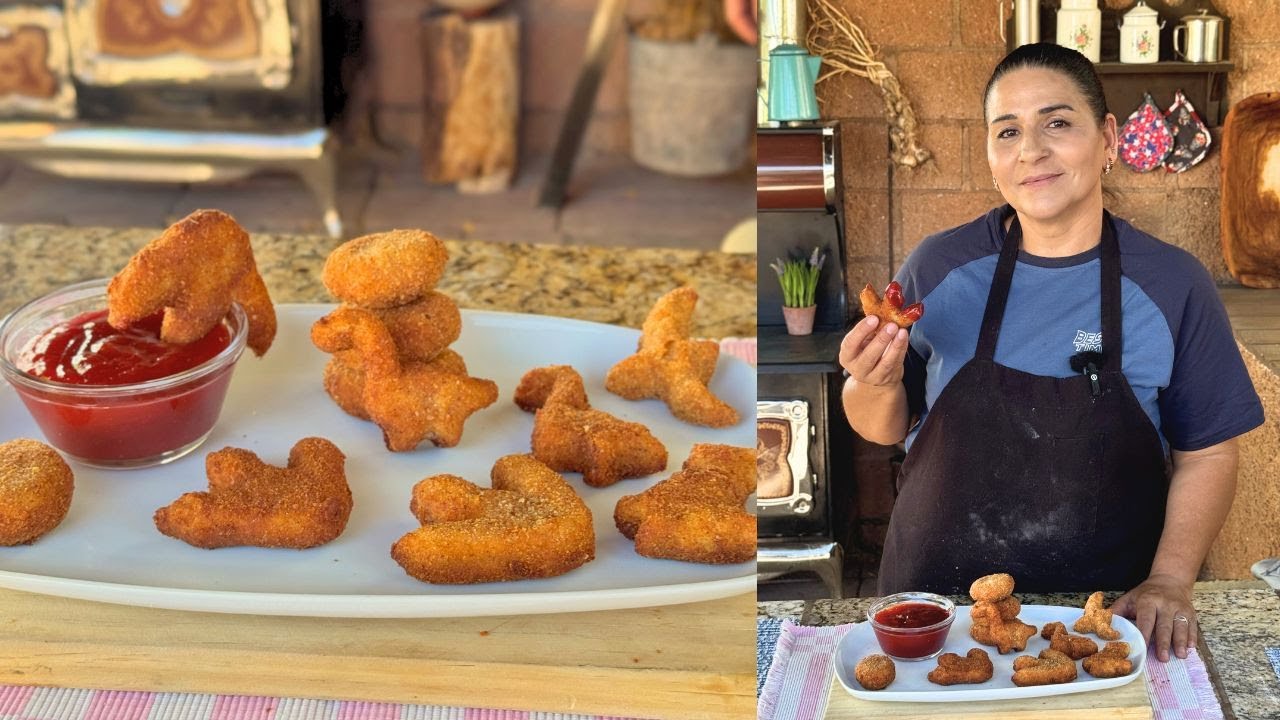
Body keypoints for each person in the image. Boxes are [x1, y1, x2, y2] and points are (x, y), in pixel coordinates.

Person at [838, 43, 1264, 663]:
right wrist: (873, 384)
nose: (1030, 150)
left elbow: (1209, 453)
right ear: (989, 153)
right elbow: (883, 427)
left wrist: (1171, 578)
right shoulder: (940, 266)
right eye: (1007, 131)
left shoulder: (1172, 283)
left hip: (1104, 622)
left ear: (1108, 137)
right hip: (942, 613)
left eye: (1057, 123)